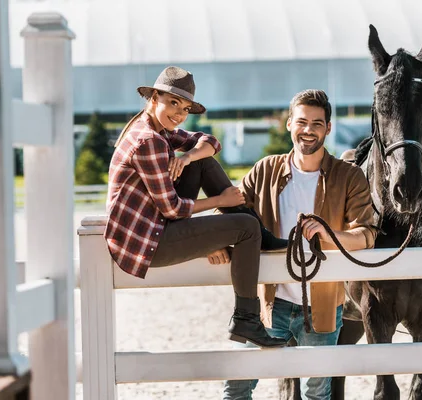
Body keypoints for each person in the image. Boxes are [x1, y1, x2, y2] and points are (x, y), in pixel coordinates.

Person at [105, 66, 287, 348]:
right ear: (154, 98)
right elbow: (172, 209)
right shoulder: (148, 141)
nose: (179, 114)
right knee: (246, 228)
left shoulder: (156, 127)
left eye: (185, 108)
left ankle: (259, 236)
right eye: (173, 103)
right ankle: (246, 319)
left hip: (155, 227)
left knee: (202, 161)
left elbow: (211, 142)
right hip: (147, 242)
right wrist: (220, 202)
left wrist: (188, 156)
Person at [222, 89, 378, 399]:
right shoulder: (265, 170)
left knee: (316, 394)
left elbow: (367, 234)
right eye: (302, 122)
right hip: (270, 302)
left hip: (322, 305)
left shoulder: (349, 177)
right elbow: (229, 211)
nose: (309, 130)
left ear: (328, 128)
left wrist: (327, 235)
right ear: (289, 124)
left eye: (317, 123)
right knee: (236, 384)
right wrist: (218, 244)